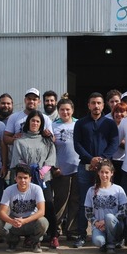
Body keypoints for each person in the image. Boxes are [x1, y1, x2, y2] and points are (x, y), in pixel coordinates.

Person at [73, 92, 119, 248]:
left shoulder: (110, 124)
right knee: (83, 203)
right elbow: (77, 144)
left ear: (103, 105)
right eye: (93, 103)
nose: (96, 106)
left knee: (107, 201)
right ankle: (80, 234)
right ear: (88, 105)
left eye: (99, 103)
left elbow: (114, 143)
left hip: (104, 169)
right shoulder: (80, 123)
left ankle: (111, 233)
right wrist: (90, 159)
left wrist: (102, 159)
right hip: (85, 167)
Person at [9, 110, 59, 248]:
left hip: (44, 178)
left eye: (38, 121)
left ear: (41, 124)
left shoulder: (46, 141)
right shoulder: (20, 140)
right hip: (26, 179)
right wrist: (30, 172)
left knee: (48, 203)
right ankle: (28, 236)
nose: (35, 123)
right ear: (28, 122)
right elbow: (17, 159)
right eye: (32, 121)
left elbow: (51, 157)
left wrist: (42, 170)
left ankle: (53, 235)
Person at [0, 164, 49, 253]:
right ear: (15, 178)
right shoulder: (9, 190)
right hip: (14, 222)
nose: (23, 181)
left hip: (31, 221)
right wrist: (11, 221)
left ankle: (34, 241)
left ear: (30, 178)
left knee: (43, 222)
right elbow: (1, 212)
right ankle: (13, 241)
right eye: (20, 178)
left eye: (25, 178)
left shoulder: (37, 189)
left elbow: (41, 211)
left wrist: (25, 221)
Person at [84, 160, 127, 254]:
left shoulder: (118, 189)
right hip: (98, 226)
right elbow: (87, 212)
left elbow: (124, 211)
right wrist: (96, 222)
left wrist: (106, 221)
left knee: (109, 217)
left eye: (107, 172)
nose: (104, 175)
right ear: (98, 173)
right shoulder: (91, 190)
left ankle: (111, 244)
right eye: (102, 172)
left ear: (112, 173)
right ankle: (105, 242)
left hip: (114, 225)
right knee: (98, 241)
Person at [51, 95, 80, 242]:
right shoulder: (53, 125)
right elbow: (50, 149)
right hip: (60, 170)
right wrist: (54, 167)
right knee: (60, 200)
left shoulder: (78, 124)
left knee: (75, 200)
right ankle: (55, 229)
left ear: (72, 110)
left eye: (68, 109)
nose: (65, 112)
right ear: (58, 111)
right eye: (62, 109)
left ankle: (72, 230)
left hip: (77, 168)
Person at [110, 101, 127, 187]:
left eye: (122, 111)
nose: (119, 114)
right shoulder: (109, 126)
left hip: (125, 162)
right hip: (111, 162)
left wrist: (118, 142)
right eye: (116, 112)